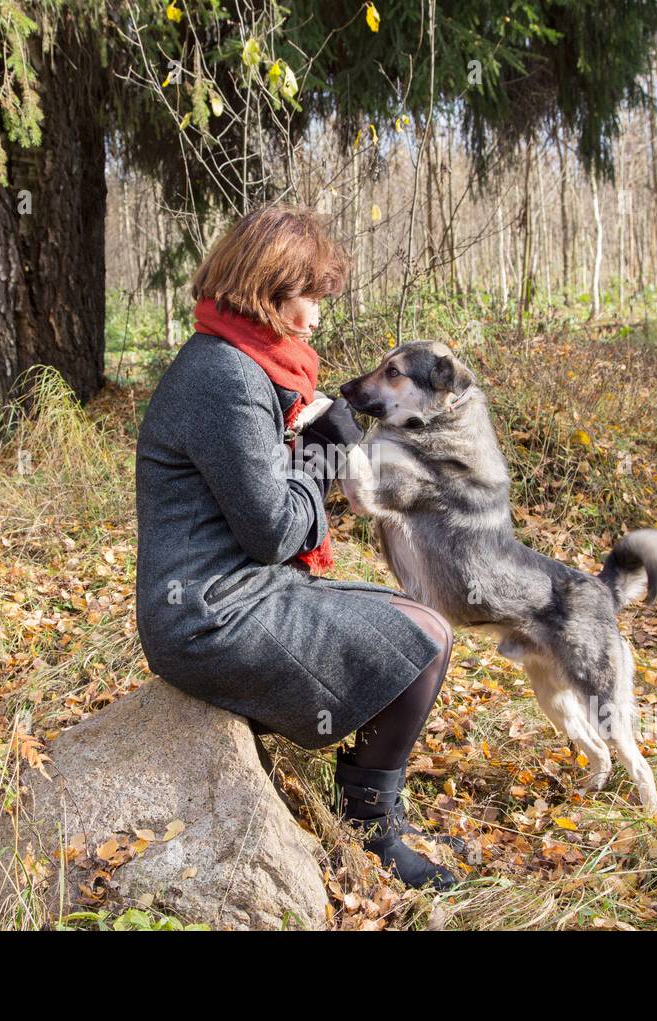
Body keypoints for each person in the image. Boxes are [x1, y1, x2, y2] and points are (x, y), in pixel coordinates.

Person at [133, 204, 462, 890]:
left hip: (240, 589)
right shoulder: (224, 377)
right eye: (305, 296)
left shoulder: (240, 363)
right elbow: (274, 529)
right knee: (424, 638)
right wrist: (317, 455)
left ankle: (365, 813)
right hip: (210, 614)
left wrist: (310, 449)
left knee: (422, 626)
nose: (315, 315)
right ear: (264, 291)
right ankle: (371, 832)